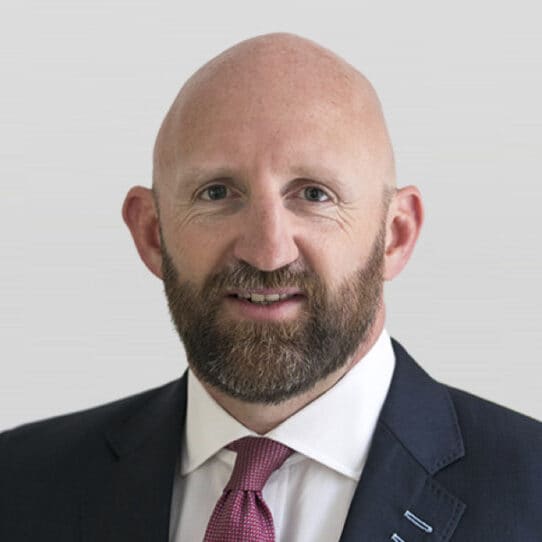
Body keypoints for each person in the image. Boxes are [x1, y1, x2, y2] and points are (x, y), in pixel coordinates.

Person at [1, 33, 541, 542]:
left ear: (395, 237)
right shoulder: (17, 483)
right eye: (217, 193)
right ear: (151, 233)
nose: (267, 252)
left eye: (314, 194)